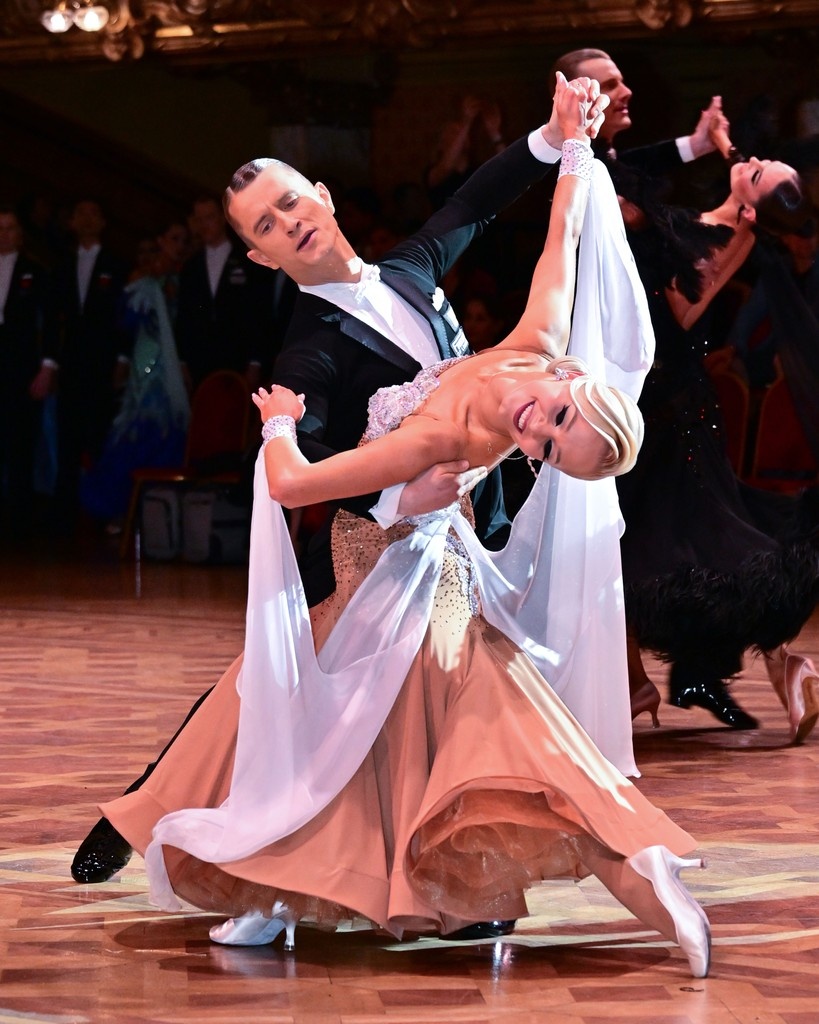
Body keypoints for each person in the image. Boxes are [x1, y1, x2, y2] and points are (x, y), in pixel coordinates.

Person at [98, 78, 711, 979]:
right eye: (264, 225)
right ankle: (252, 869)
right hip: (373, 549)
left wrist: (557, 144)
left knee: (415, 718)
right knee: (316, 706)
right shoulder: (309, 352)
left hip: (456, 544)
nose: (287, 223)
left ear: (325, 198)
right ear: (262, 258)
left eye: (291, 201)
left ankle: (320, 884)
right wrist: (395, 497)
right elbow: (301, 480)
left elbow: (490, 207)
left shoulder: (416, 272)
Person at [615, 117, 819, 738]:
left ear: (755, 205)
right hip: (651, 396)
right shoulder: (723, 216)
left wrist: (660, 255)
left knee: (690, 547)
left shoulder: (734, 231)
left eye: (757, 172)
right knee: (637, 541)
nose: (748, 161)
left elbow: (681, 309)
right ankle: (633, 681)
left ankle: (792, 662)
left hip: (671, 406)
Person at [48, 198, 130, 533]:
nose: (85, 219)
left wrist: (122, 360)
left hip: (103, 362)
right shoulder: (63, 263)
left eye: (92, 212)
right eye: (79, 213)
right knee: (67, 437)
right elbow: (56, 318)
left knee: (100, 436)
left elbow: (123, 317)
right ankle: (66, 515)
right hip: (71, 364)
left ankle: (102, 510)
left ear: (102, 221)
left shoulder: (116, 263)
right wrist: (52, 363)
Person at [0, 205, 55, 539]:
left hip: (19, 367)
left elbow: (48, 324)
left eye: (9, 228)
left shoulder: (35, 272)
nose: (3, 234)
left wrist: (48, 366)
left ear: (20, 234)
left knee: (19, 442)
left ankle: (18, 525)